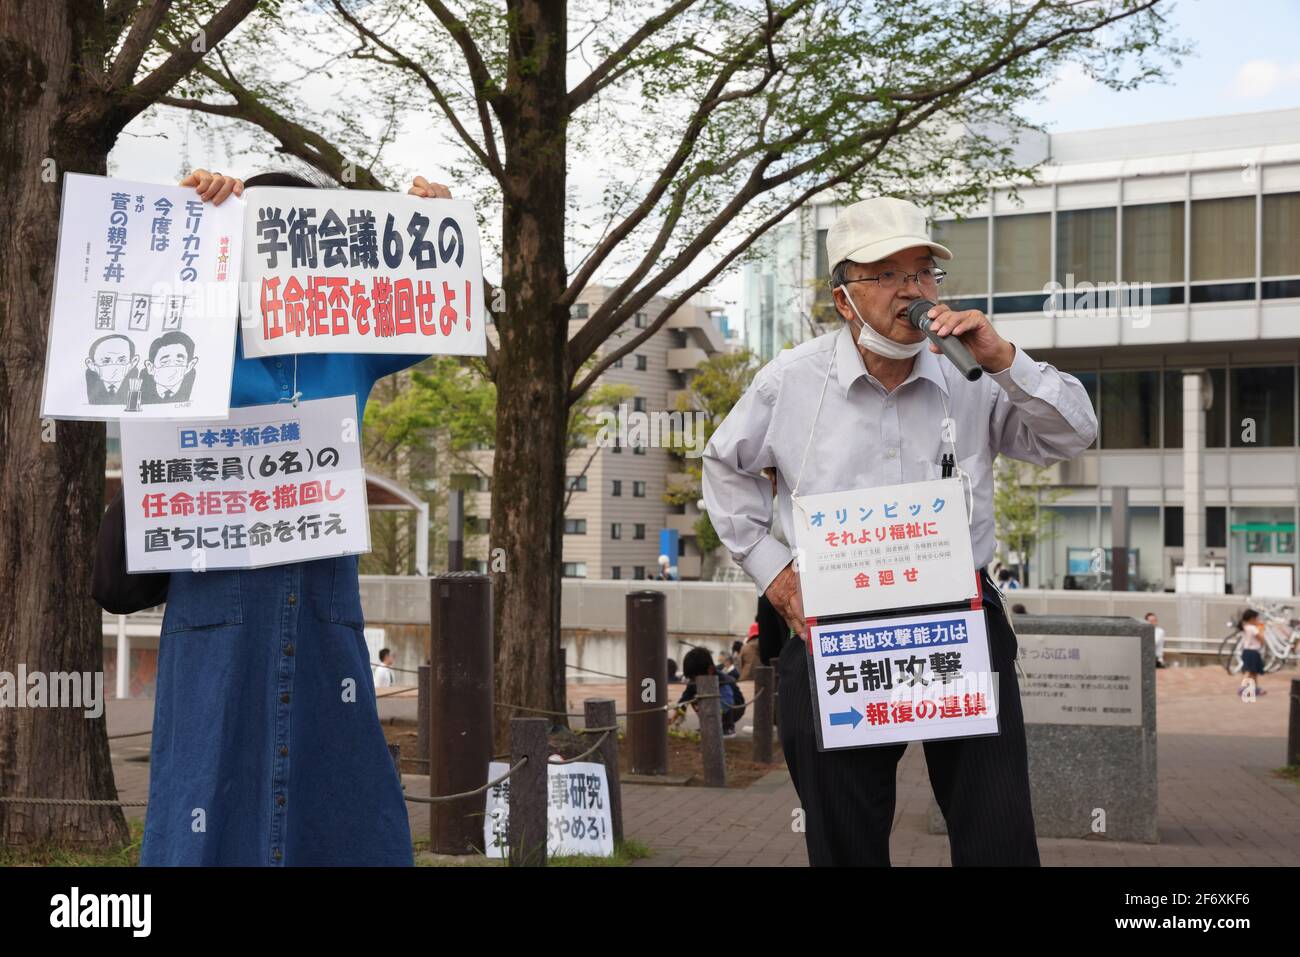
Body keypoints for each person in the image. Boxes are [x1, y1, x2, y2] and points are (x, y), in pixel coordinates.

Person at [701, 195, 1098, 866]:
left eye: (923, 272)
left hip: (956, 621)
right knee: (846, 840)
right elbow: (723, 466)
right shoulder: (791, 383)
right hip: (833, 627)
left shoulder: (969, 376)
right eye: (886, 273)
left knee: (997, 834)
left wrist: (1003, 356)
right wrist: (775, 573)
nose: (911, 290)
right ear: (842, 298)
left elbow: (1073, 433)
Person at [137, 167, 454, 867]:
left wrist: (432, 221)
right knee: (206, 784)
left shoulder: (353, 338)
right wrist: (189, 207)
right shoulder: (199, 326)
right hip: (215, 588)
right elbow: (133, 282)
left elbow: (442, 305)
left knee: (332, 790)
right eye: (263, 230)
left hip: (320, 592)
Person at [675, 647, 743, 737]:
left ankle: (727, 728)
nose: (693, 681)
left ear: (710, 670)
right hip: (714, 707)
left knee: (724, 701)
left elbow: (728, 701)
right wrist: (679, 711)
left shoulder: (723, 680)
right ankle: (708, 726)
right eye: (691, 678)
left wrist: (713, 713)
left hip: (735, 707)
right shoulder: (693, 682)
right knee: (695, 697)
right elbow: (686, 697)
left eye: (694, 678)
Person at [140, 330, 198, 403]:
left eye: (179, 362)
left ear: (189, 366)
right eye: (165, 362)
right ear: (150, 367)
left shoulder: (194, 389)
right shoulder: (142, 387)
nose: (172, 368)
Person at [84, 334, 140, 404]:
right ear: (91, 364)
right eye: (106, 361)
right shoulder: (85, 385)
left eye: (121, 361)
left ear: (133, 362)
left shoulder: (136, 382)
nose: (114, 367)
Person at [1238, 609, 1267, 698]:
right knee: (1252, 672)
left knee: (1253, 672)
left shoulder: (1245, 627)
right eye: (1256, 619)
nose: (1258, 621)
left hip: (1247, 651)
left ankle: (1254, 689)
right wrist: (1262, 643)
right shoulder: (1252, 628)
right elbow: (1260, 638)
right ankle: (1244, 688)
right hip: (1253, 652)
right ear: (1251, 619)